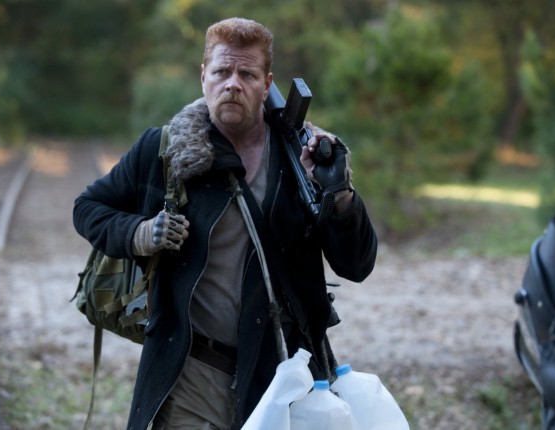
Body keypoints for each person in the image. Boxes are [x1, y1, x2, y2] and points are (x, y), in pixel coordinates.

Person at [73, 17, 378, 430]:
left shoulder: (305, 158)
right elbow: (88, 208)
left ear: (266, 84)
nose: (232, 84)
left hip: (284, 376)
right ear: (203, 76)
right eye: (221, 72)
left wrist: (339, 194)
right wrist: (140, 234)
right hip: (188, 373)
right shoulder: (166, 151)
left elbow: (357, 265)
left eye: (246, 74)